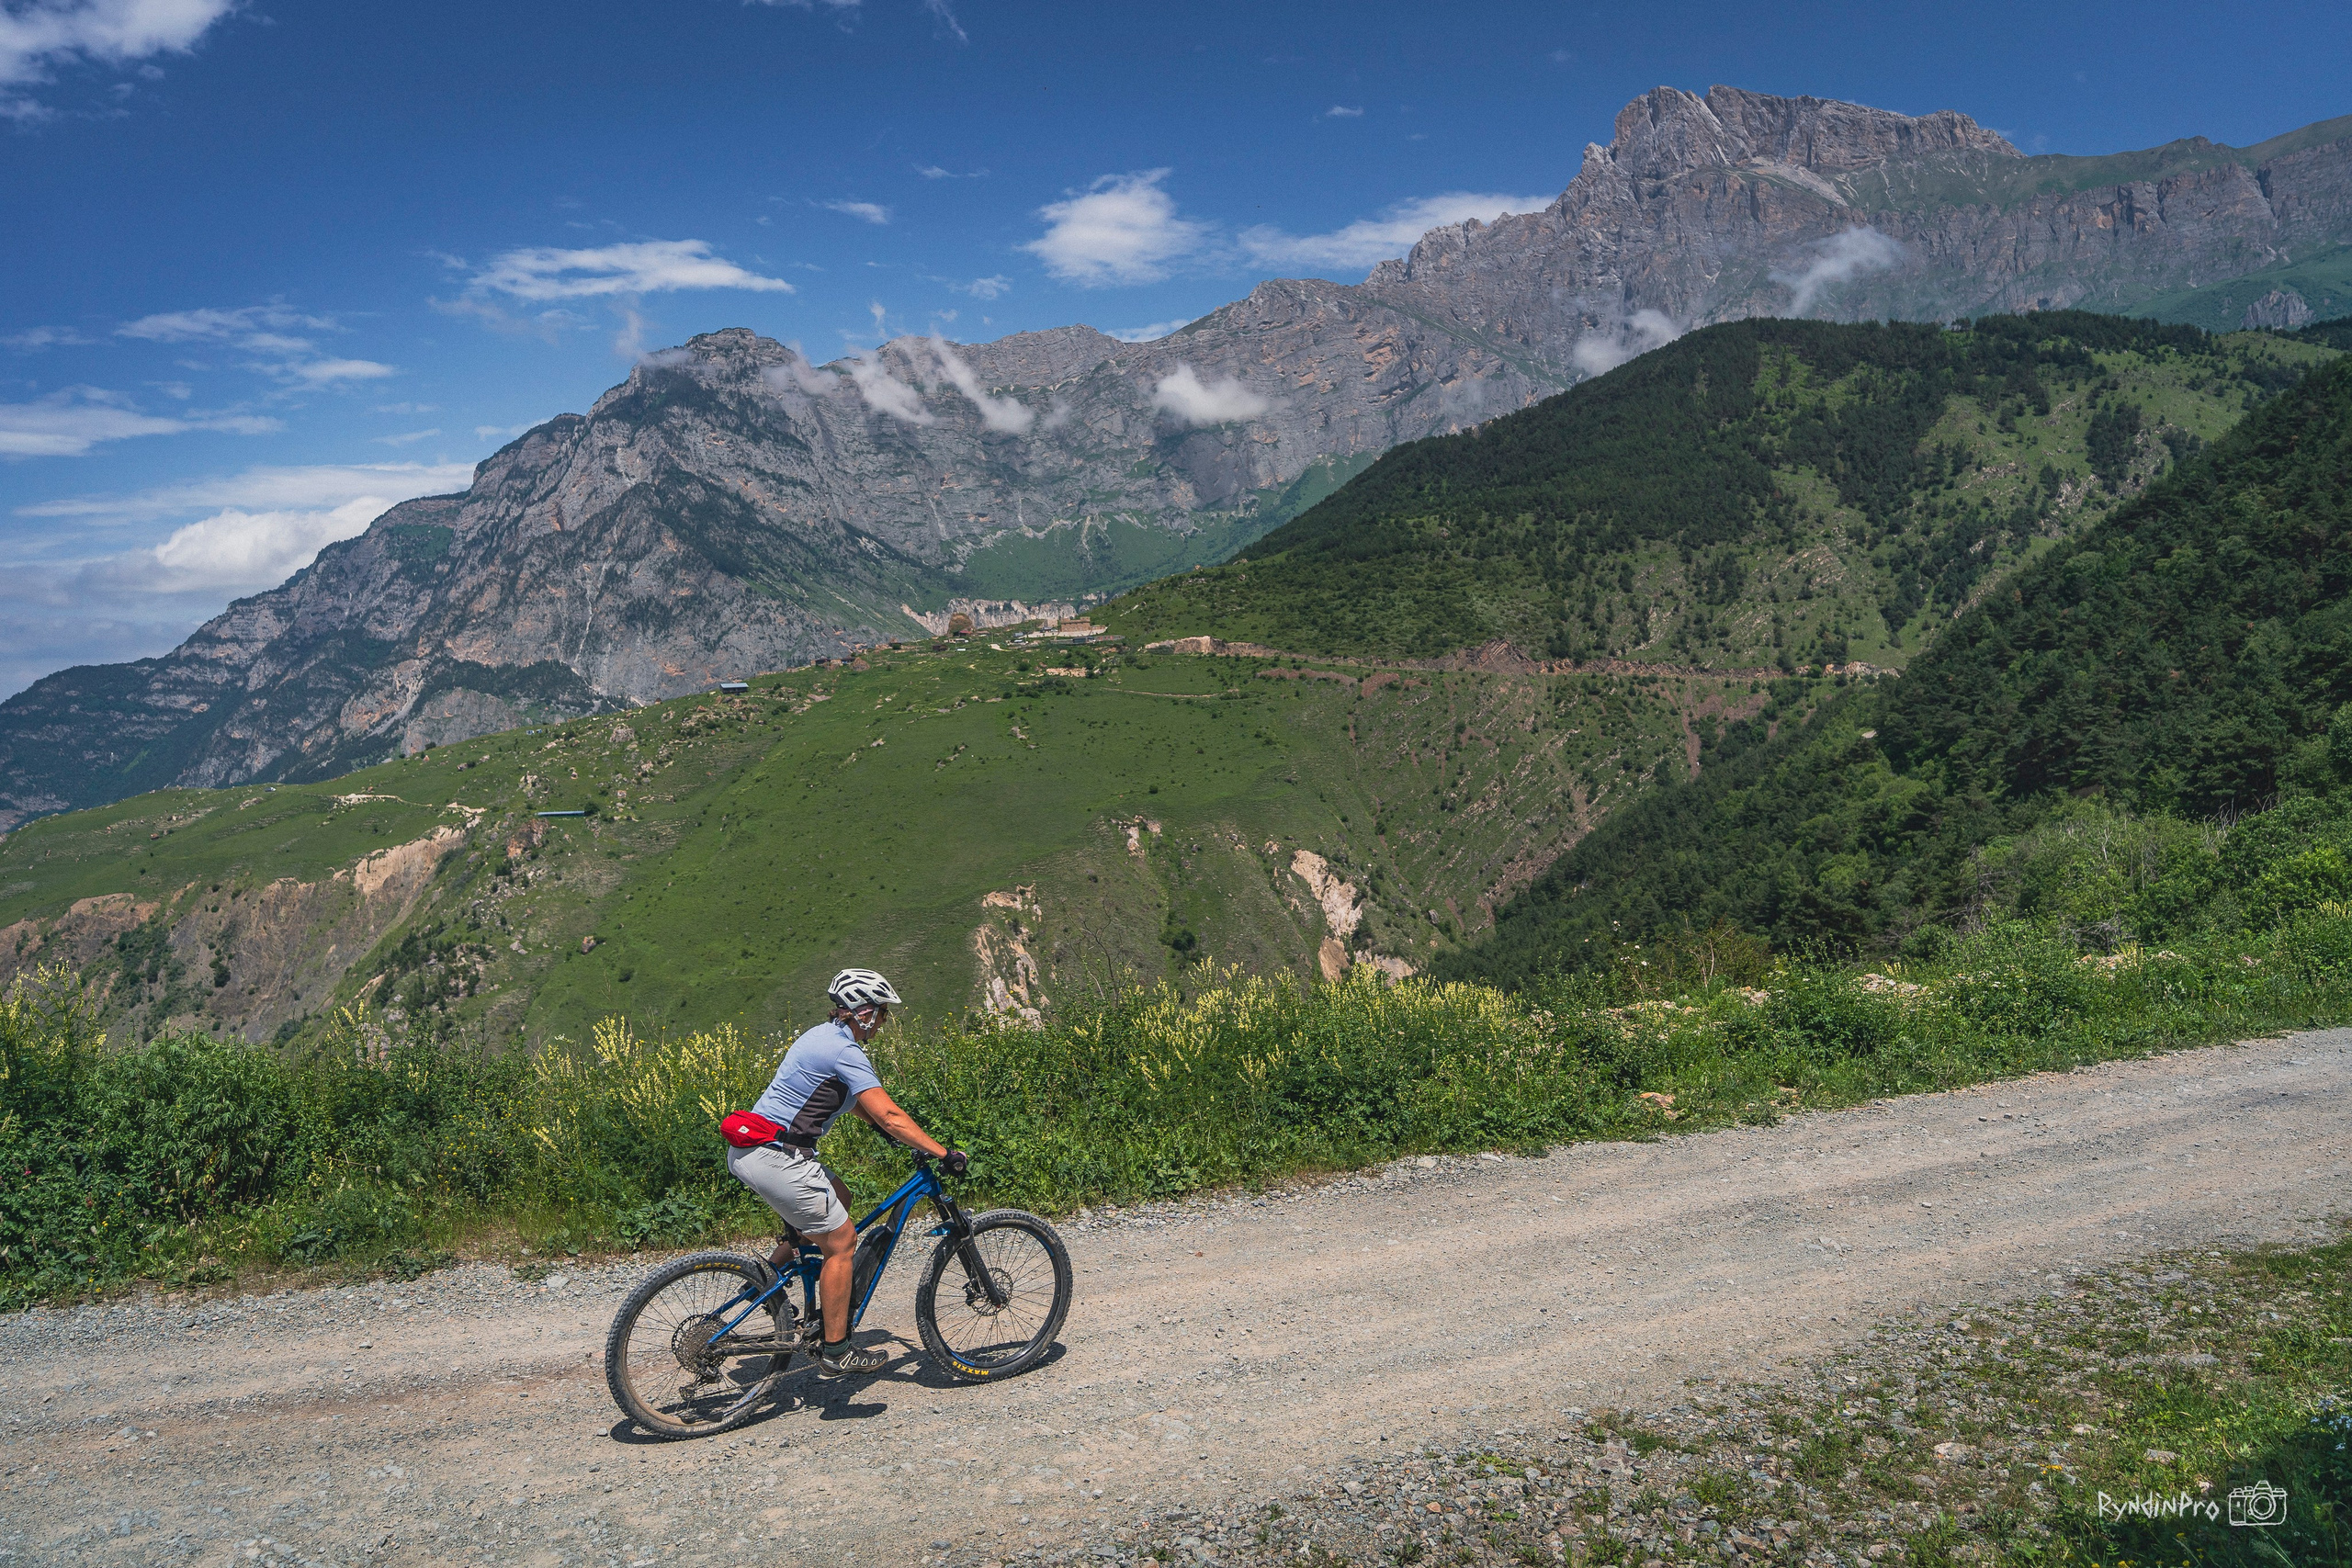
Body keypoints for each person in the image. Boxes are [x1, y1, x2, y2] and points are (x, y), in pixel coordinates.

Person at [726, 968, 967, 1376]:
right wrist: (942, 1152)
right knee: (842, 1242)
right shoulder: (846, 1051)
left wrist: (879, 1127)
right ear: (865, 1012)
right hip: (778, 1157)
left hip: (754, 1149)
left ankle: (766, 1280)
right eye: (883, 1013)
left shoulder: (821, 1036)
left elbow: (849, 1100)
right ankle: (837, 1350)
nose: (885, 1022)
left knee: (842, 1199)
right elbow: (889, 1113)